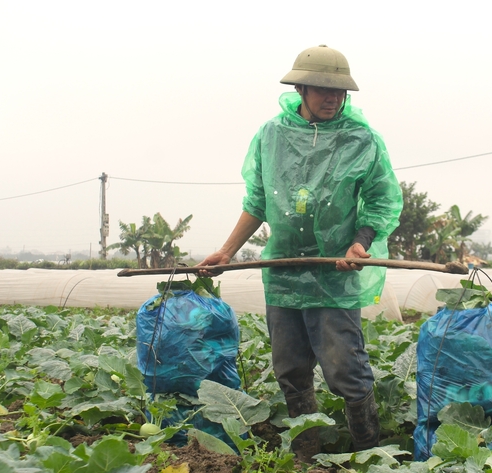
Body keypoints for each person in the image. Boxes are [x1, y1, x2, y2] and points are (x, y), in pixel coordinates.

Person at [196, 45, 403, 462]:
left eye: (340, 92)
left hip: (334, 273)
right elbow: (258, 201)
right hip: (285, 272)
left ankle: (368, 454)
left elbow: (382, 201)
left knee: (345, 367)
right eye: (324, 90)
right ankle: (307, 455)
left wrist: (359, 243)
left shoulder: (361, 139)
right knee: (290, 368)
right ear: (302, 88)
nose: (333, 99)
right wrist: (226, 251)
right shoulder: (272, 136)